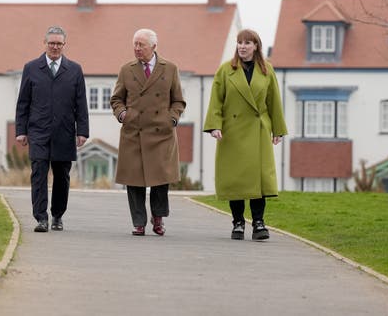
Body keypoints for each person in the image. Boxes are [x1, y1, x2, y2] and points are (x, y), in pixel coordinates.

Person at [203, 29, 287, 241]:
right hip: (232, 131)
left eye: (247, 42)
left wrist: (278, 129)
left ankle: (259, 222)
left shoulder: (267, 70)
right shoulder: (225, 70)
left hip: (258, 130)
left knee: (259, 180)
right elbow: (216, 100)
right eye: (240, 42)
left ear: (256, 46)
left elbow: (274, 101)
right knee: (236, 179)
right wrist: (214, 125)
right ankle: (238, 222)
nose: (242, 46)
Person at [110, 28, 186, 236]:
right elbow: (116, 99)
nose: (136, 48)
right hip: (134, 131)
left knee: (160, 179)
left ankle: (158, 217)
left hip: (162, 132)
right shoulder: (127, 70)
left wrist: (172, 118)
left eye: (141, 45)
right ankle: (138, 222)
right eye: (134, 44)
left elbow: (178, 100)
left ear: (153, 46)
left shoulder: (170, 68)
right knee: (134, 181)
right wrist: (123, 114)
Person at [15, 26, 89, 233]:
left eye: (59, 43)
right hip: (38, 131)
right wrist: (21, 130)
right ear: (44, 43)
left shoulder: (74, 70)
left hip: (64, 132)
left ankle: (57, 215)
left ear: (64, 45)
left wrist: (82, 131)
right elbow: (23, 102)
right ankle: (41, 218)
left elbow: (81, 103)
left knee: (61, 176)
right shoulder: (31, 68)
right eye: (51, 43)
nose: (55, 47)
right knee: (38, 174)